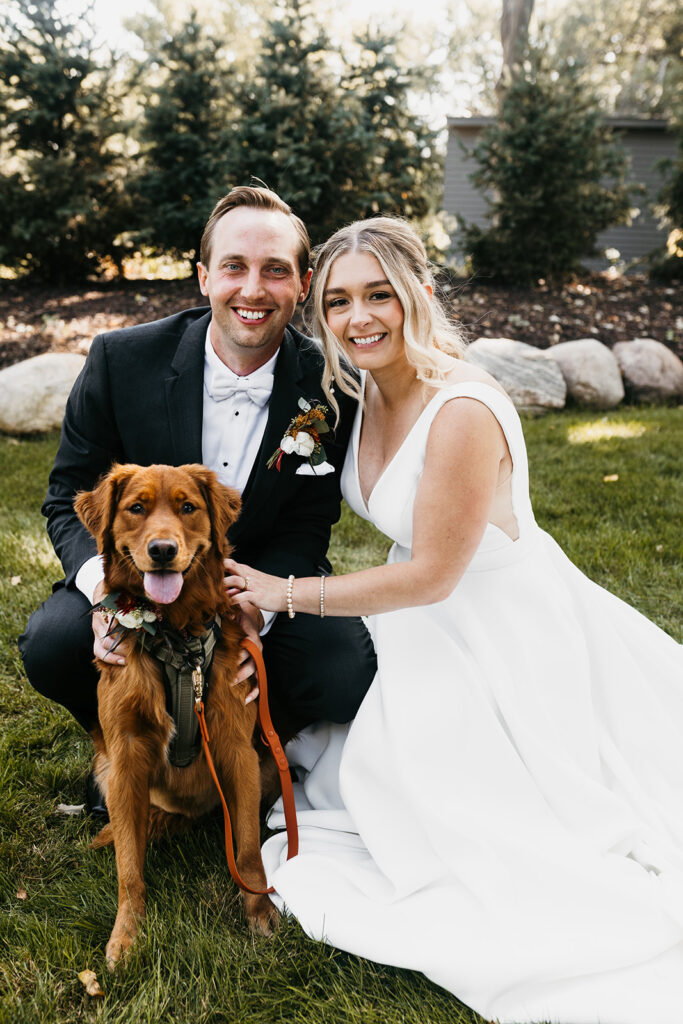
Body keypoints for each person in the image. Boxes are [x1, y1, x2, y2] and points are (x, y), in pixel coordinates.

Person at [225, 216, 683, 1024]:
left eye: (379, 295)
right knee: (374, 771)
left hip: (500, 629)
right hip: (421, 626)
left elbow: (433, 575)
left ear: (419, 295)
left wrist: (281, 592)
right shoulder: (356, 392)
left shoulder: (462, 407)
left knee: (465, 817)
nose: (358, 317)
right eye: (337, 302)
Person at [18, 186, 377, 810]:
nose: (253, 289)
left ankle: (248, 756)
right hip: (136, 579)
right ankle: (126, 757)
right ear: (204, 274)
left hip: (256, 585)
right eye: (234, 267)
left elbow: (309, 523)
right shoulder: (119, 359)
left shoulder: (329, 386)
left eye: (275, 270)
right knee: (52, 642)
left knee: (342, 667)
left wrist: (258, 611)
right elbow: (63, 496)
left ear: (303, 283)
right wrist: (105, 590)